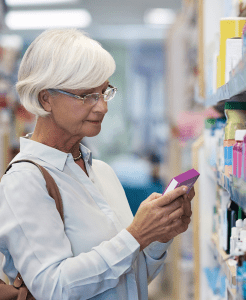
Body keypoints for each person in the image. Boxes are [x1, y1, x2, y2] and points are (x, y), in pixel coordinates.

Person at [0, 29, 194, 300]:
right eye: (87, 95)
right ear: (46, 98)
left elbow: (128, 279)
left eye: (104, 92)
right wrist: (136, 235)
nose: (102, 107)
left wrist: (159, 234)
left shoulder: (102, 172)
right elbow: (54, 288)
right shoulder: (24, 181)